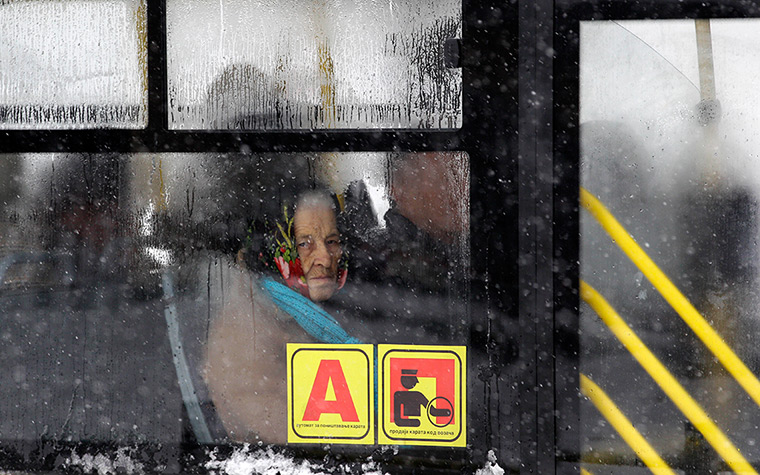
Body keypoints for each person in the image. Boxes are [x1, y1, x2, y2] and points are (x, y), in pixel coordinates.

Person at [203, 189, 351, 444]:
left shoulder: (325, 314)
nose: (324, 259)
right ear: (271, 251)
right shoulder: (247, 330)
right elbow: (290, 442)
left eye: (332, 241)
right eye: (304, 243)